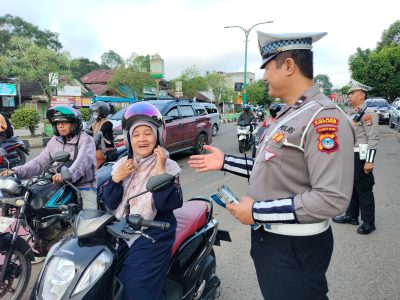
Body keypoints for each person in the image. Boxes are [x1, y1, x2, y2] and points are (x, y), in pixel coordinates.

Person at [188, 31, 356, 300]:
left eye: (267, 67)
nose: (264, 76)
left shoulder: (323, 118)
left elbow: (331, 199)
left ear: (288, 66)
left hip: (295, 246)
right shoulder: (291, 113)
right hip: (273, 239)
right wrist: (224, 161)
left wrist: (257, 211)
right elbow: (273, 166)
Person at [102, 102, 182, 300]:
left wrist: (160, 170)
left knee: (135, 291)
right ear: (129, 139)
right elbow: (110, 204)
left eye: (147, 133)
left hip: (152, 235)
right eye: (136, 134)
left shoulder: (169, 166)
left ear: (158, 135)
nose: (142, 139)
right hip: (120, 232)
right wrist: (115, 179)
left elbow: (168, 204)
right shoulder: (122, 164)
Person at [0, 105, 97, 209]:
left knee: (88, 220)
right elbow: (39, 162)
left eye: (64, 122)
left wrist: (67, 174)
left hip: (83, 186)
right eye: (57, 123)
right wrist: (15, 171)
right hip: (59, 184)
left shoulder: (86, 140)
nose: (60, 126)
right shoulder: (55, 140)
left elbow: (81, 163)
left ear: (74, 123)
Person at [333, 79, 379, 234]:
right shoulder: (350, 113)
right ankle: (351, 215)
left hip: (362, 154)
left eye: (352, 93)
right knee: (350, 187)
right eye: (348, 94)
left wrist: (369, 161)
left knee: (363, 189)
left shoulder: (368, 114)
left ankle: (368, 222)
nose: (349, 96)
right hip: (349, 155)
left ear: (362, 95)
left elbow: (373, 138)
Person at [87, 101, 116, 168]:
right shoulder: (95, 123)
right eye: (93, 111)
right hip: (98, 147)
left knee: (96, 157)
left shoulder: (107, 123)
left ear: (102, 112)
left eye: (96, 111)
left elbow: (99, 134)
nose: (94, 113)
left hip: (108, 150)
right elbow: (88, 132)